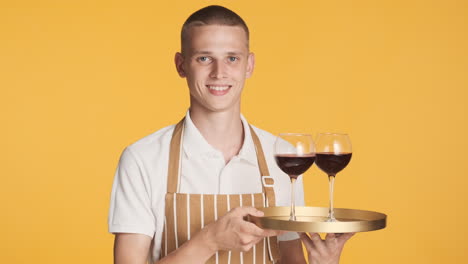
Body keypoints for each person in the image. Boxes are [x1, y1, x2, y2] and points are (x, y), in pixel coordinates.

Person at [108, 5, 354, 264]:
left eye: (232, 58)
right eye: (204, 58)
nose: (219, 72)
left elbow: (291, 260)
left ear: (249, 65)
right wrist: (209, 240)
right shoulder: (142, 159)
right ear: (181, 65)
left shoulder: (283, 158)